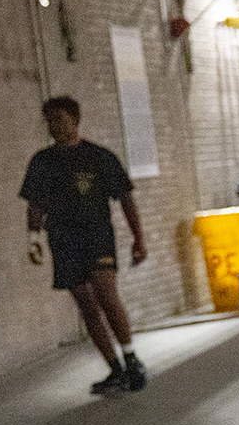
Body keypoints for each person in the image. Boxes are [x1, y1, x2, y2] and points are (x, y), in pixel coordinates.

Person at [20, 96, 149, 394]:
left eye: (61, 120)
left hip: (97, 237)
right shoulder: (42, 162)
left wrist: (138, 238)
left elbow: (126, 198)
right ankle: (114, 369)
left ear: (76, 121)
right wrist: (33, 239)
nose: (55, 127)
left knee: (105, 294)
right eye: (51, 122)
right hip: (64, 241)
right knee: (87, 305)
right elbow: (35, 204)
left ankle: (131, 358)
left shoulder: (100, 157)